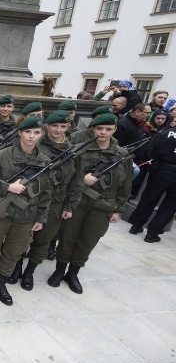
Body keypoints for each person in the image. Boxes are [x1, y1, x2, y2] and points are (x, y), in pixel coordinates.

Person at [50, 113, 132, 293]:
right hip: (77, 201)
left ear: (115, 130)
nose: (103, 132)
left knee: (88, 240)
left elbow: (126, 184)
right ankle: (59, 271)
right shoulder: (79, 149)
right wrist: (82, 179)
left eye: (108, 129)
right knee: (67, 237)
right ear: (92, 129)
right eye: (99, 128)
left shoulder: (122, 155)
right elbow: (64, 175)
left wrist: (118, 209)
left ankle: (73, 273)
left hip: (103, 205)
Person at [0, 116, 51, 306]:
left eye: (36, 133)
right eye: (27, 132)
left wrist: (41, 217)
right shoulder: (2, 155)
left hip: (27, 215)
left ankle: (0, 282)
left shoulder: (44, 161)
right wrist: (8, 187)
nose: (31, 136)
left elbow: (46, 192)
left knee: (14, 251)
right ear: (19, 133)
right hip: (0, 213)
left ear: (41, 134)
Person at [18, 111, 84, 290]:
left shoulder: (73, 152)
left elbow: (77, 181)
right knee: (22, 236)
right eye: (55, 125)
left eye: (63, 126)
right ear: (47, 126)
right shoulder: (36, 145)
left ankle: (29, 272)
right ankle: (16, 267)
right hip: (31, 197)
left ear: (68, 127)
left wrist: (70, 205)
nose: (58, 129)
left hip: (57, 201)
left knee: (43, 240)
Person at [128, 123, 176, 243]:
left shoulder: (166, 133)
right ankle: (153, 233)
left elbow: (150, 150)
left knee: (149, 197)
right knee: (170, 205)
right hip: (165, 169)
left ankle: (136, 225)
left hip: (161, 170)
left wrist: (155, 164)